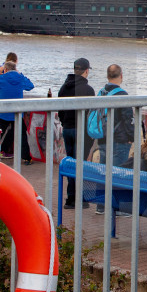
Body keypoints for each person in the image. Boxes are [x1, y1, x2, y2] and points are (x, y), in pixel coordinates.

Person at [0, 52, 35, 165]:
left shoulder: (2, 78)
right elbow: (30, 86)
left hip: (3, 112)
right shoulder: (20, 78)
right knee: (22, 136)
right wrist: (21, 75)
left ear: (5, 69)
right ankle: (27, 158)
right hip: (17, 113)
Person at [58, 57, 95, 208]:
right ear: (86, 71)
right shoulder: (88, 90)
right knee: (80, 164)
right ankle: (79, 198)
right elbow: (92, 114)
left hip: (67, 129)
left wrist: (65, 123)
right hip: (81, 131)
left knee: (72, 162)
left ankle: (70, 198)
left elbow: (60, 109)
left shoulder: (63, 87)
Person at [98, 64, 134, 167]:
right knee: (117, 175)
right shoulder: (122, 95)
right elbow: (128, 119)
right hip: (119, 142)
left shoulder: (101, 93)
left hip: (102, 138)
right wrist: (132, 137)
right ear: (121, 76)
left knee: (102, 174)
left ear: (107, 76)